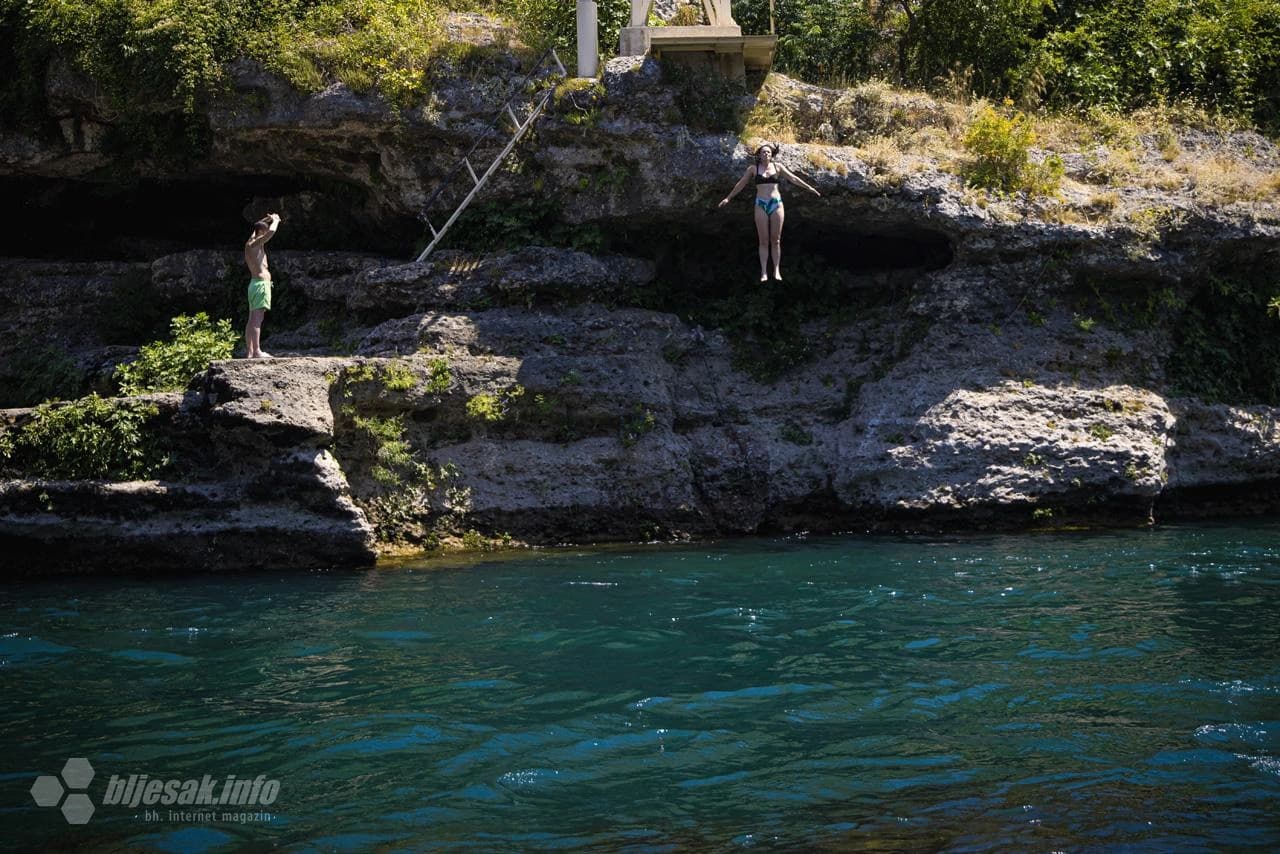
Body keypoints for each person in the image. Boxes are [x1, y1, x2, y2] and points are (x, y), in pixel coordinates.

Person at [718, 143, 820, 281]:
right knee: (763, 240)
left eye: (768, 152)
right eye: (763, 152)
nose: (766, 154)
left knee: (775, 239)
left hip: (776, 204)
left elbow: (793, 178)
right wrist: (728, 198)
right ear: (759, 155)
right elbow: (741, 184)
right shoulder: (753, 169)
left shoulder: (778, 167)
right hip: (761, 204)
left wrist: (809, 188)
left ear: (772, 155)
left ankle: (777, 270)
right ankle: (764, 272)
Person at [244, 213, 280, 359]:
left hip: (254, 284)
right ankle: (257, 351)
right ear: (261, 233)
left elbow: (256, 229)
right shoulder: (255, 244)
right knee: (257, 319)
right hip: (260, 285)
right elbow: (271, 232)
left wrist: (265, 220)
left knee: (252, 318)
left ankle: (250, 352)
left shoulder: (250, 242)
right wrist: (276, 221)